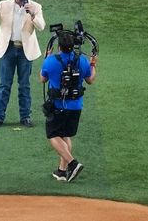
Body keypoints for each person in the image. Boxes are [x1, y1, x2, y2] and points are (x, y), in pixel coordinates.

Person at [0, 0, 45, 128]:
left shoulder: (35, 7)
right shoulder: (4, 5)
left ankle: (25, 117)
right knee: (4, 85)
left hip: (25, 51)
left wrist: (33, 14)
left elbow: (41, 26)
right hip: (7, 49)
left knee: (24, 85)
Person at [40, 30, 96, 183]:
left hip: (58, 106)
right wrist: (93, 63)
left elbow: (42, 79)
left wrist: (47, 57)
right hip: (76, 106)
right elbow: (90, 80)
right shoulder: (83, 61)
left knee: (53, 135)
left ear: (59, 47)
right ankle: (62, 171)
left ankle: (73, 163)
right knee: (65, 135)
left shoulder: (50, 61)